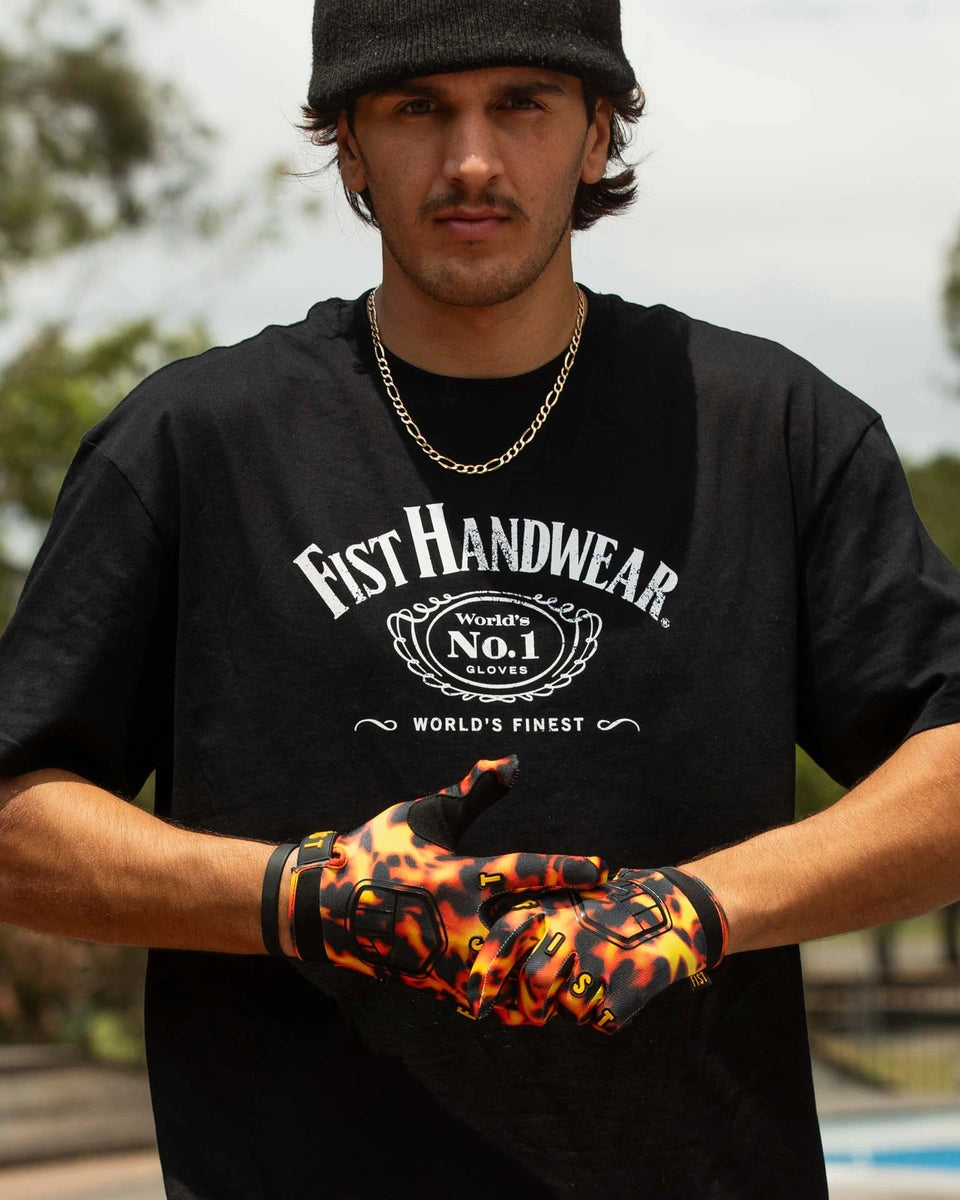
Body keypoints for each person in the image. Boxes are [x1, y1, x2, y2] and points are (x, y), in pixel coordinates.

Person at [1, 2, 959, 1196]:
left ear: (597, 132)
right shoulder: (197, 444)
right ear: (348, 144)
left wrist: (698, 909)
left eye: (522, 105)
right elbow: (18, 816)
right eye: (418, 108)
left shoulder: (770, 432)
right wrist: (299, 897)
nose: (470, 160)